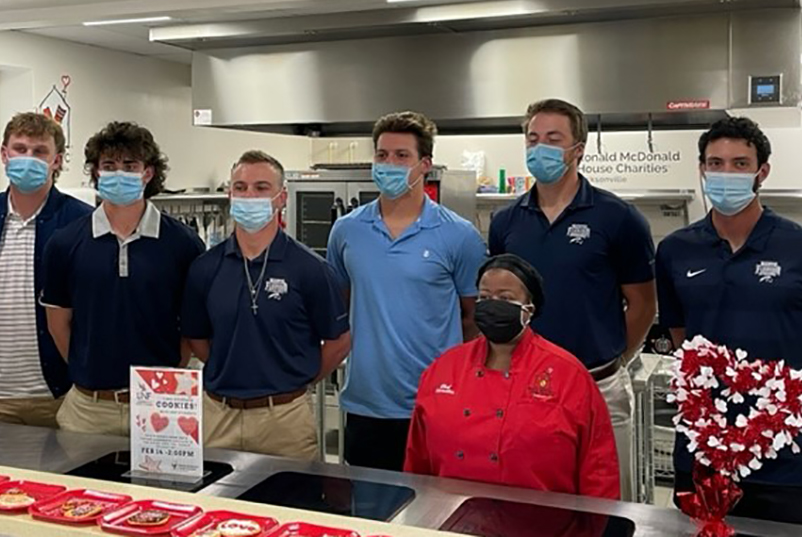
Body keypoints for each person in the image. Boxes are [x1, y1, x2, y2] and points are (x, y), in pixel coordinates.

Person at [656, 117, 802, 527]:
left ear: (761, 171)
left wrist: (797, 407)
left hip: (786, 456)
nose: (725, 173)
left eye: (739, 163)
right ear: (701, 169)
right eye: (715, 163)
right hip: (701, 451)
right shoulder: (676, 251)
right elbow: (683, 340)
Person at [488, 98, 656, 500]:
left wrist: (615, 358)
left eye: (552, 138)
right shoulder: (507, 222)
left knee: (608, 506)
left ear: (577, 149)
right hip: (524, 389)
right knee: (533, 501)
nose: (539, 147)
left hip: (599, 386)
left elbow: (643, 304)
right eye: (533, 139)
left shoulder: (618, 218)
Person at [327, 111, 487, 471]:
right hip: (366, 404)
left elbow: (472, 317)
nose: (390, 164)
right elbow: (342, 305)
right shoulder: (347, 231)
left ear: (424, 164)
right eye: (382, 155)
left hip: (436, 403)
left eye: (402, 156)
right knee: (370, 515)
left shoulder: (458, 236)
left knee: (436, 516)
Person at [405, 254, 620, 499]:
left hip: (543, 522)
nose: (492, 304)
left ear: (530, 308)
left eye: (505, 298)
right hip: (448, 516)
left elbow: (598, 468)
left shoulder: (569, 375)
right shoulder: (443, 368)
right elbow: (417, 461)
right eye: (484, 297)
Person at [181, 150, 350, 459]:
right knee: (216, 503)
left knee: (291, 504)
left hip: (285, 420)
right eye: (241, 188)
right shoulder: (205, 268)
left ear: (281, 198)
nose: (249, 196)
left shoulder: (311, 269)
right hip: (218, 417)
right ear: (230, 194)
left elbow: (339, 341)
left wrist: (296, 379)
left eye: (261, 188)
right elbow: (197, 340)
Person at [41, 121, 204, 436]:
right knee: (83, 487)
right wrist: (88, 370)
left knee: (162, 487)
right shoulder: (64, 243)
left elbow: (191, 326)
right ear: (95, 173)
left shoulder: (184, 243)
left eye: (130, 166)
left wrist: (169, 375)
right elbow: (58, 324)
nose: (119, 173)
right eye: (109, 165)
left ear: (148, 173)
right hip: (89, 409)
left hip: (163, 404)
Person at [0, 112, 92, 427]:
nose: (28, 158)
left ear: (57, 160)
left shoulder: (82, 224)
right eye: (20, 148)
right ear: (4, 154)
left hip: (61, 395)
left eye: (40, 151)